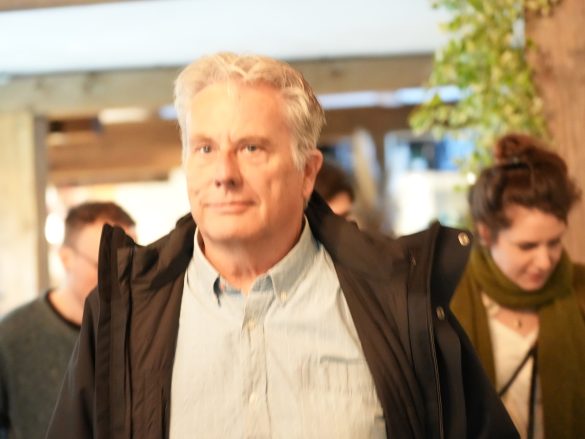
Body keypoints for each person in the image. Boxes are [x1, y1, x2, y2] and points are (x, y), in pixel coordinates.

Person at [46, 53, 517, 439]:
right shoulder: (124, 313)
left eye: (251, 148)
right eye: (205, 148)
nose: (224, 174)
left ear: (307, 173)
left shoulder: (397, 300)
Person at [451, 133, 585, 439]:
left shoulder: (579, 288)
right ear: (486, 235)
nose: (545, 261)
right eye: (527, 246)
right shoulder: (450, 301)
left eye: (555, 242)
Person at [0, 201, 135, 439]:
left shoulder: (140, 331)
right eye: (103, 264)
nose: (118, 278)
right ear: (65, 258)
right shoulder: (11, 336)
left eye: (129, 265)